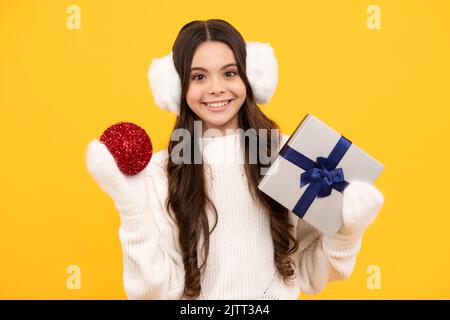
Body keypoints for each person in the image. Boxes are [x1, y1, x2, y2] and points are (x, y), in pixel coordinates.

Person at [86, 19, 384, 300]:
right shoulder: (159, 172)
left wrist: (348, 232)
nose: (216, 87)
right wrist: (132, 208)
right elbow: (158, 291)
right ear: (177, 88)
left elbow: (308, 273)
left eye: (229, 73)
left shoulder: (293, 159)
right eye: (199, 76)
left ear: (250, 78)